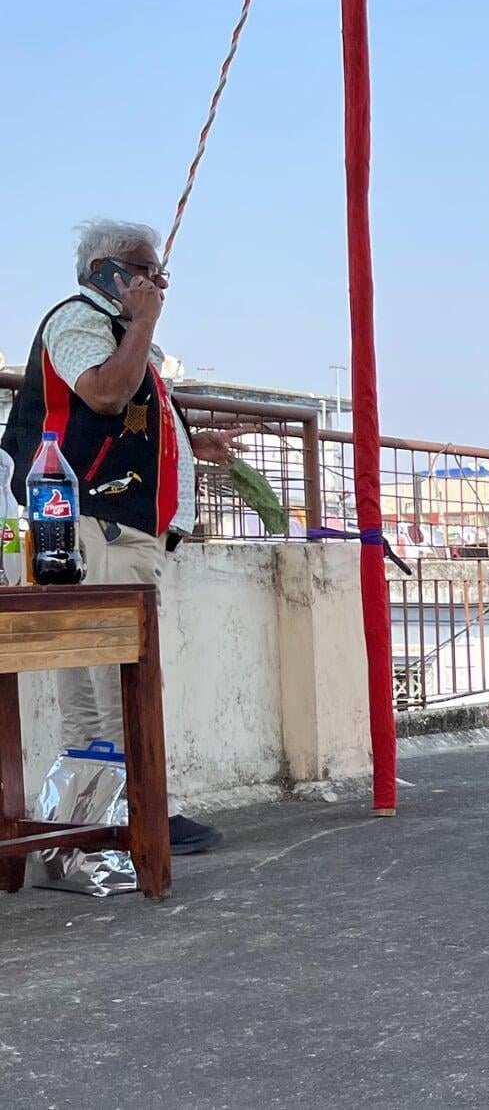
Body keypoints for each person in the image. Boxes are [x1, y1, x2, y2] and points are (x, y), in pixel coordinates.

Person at [2, 219, 246, 855]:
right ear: (106, 272)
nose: (158, 284)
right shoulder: (81, 320)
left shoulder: (119, 331)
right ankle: (141, 811)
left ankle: (97, 814)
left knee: (95, 678)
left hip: (103, 525)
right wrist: (144, 323)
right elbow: (105, 395)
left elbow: (129, 415)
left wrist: (191, 445)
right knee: (118, 674)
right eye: (145, 271)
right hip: (95, 524)